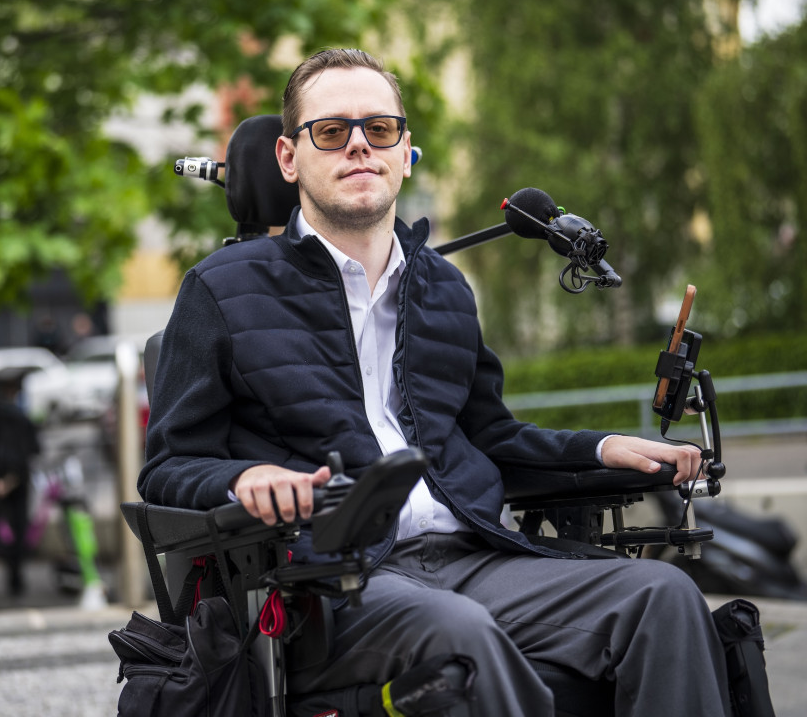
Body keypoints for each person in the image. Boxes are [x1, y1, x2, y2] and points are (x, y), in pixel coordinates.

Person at [140, 48, 732, 716]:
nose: (359, 145)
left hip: (472, 557)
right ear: (288, 158)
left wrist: (600, 449)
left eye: (379, 129)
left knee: (664, 597)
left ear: (405, 152)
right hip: (329, 585)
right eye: (331, 131)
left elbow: (490, 437)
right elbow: (167, 468)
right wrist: (243, 479)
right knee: (459, 633)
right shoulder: (220, 289)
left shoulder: (445, 289)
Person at [0, 370, 41, 599]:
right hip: (17, 482)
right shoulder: (21, 417)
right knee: (18, 532)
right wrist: (11, 480)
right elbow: (33, 449)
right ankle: (15, 581)